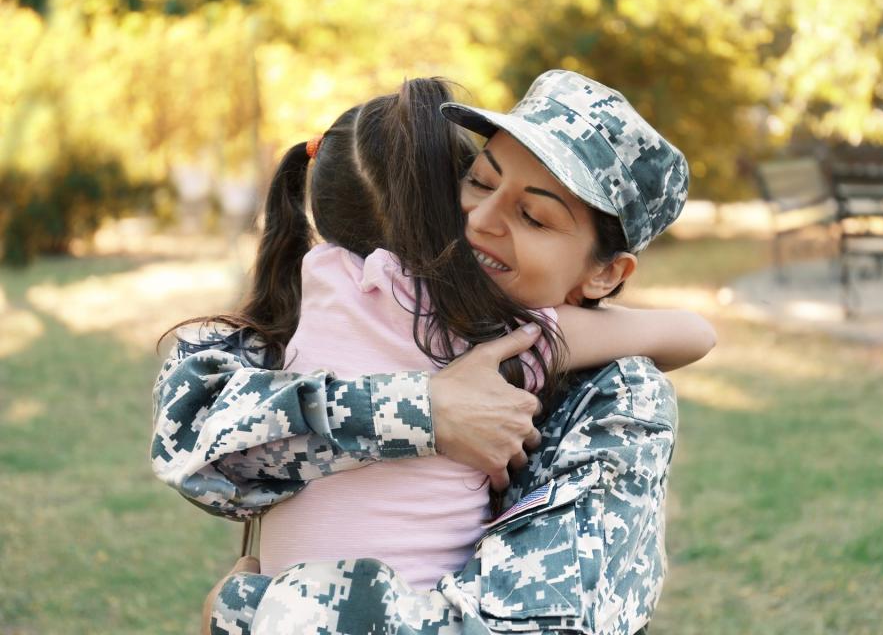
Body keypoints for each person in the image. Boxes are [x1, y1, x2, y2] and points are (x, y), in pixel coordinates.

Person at [152, 70, 699, 634]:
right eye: (480, 183)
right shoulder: (423, 313)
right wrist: (425, 408)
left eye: (534, 216)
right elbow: (191, 448)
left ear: (608, 272)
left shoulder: (619, 399)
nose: (481, 221)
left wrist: (250, 615)